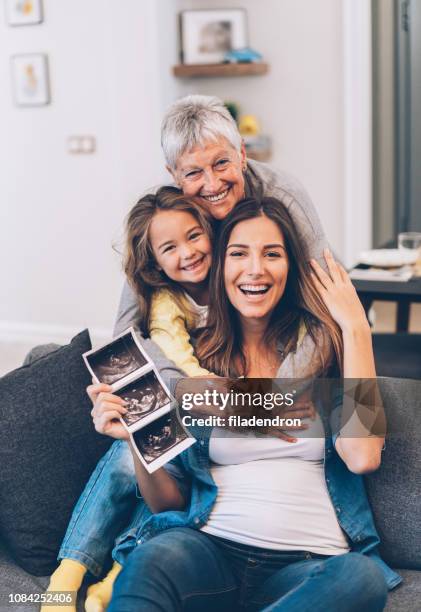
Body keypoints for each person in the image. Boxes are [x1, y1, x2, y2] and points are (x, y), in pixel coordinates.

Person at [42, 94, 334, 609]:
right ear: (175, 176)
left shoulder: (281, 202)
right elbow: (120, 345)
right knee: (138, 439)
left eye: (222, 162)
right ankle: (74, 573)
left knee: (360, 576)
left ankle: (118, 567)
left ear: (242, 153)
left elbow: (328, 307)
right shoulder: (170, 218)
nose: (212, 183)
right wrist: (185, 394)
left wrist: (274, 397)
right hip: (202, 433)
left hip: (305, 544)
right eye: (194, 173)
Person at [92, 198, 399, 611]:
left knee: (360, 579)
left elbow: (362, 456)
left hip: (308, 565)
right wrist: (136, 436)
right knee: (153, 556)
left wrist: (356, 327)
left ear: (290, 267)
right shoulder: (192, 364)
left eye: (272, 254)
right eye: (238, 253)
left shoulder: (325, 350)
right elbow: (168, 502)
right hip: (206, 550)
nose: (255, 269)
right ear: (220, 267)